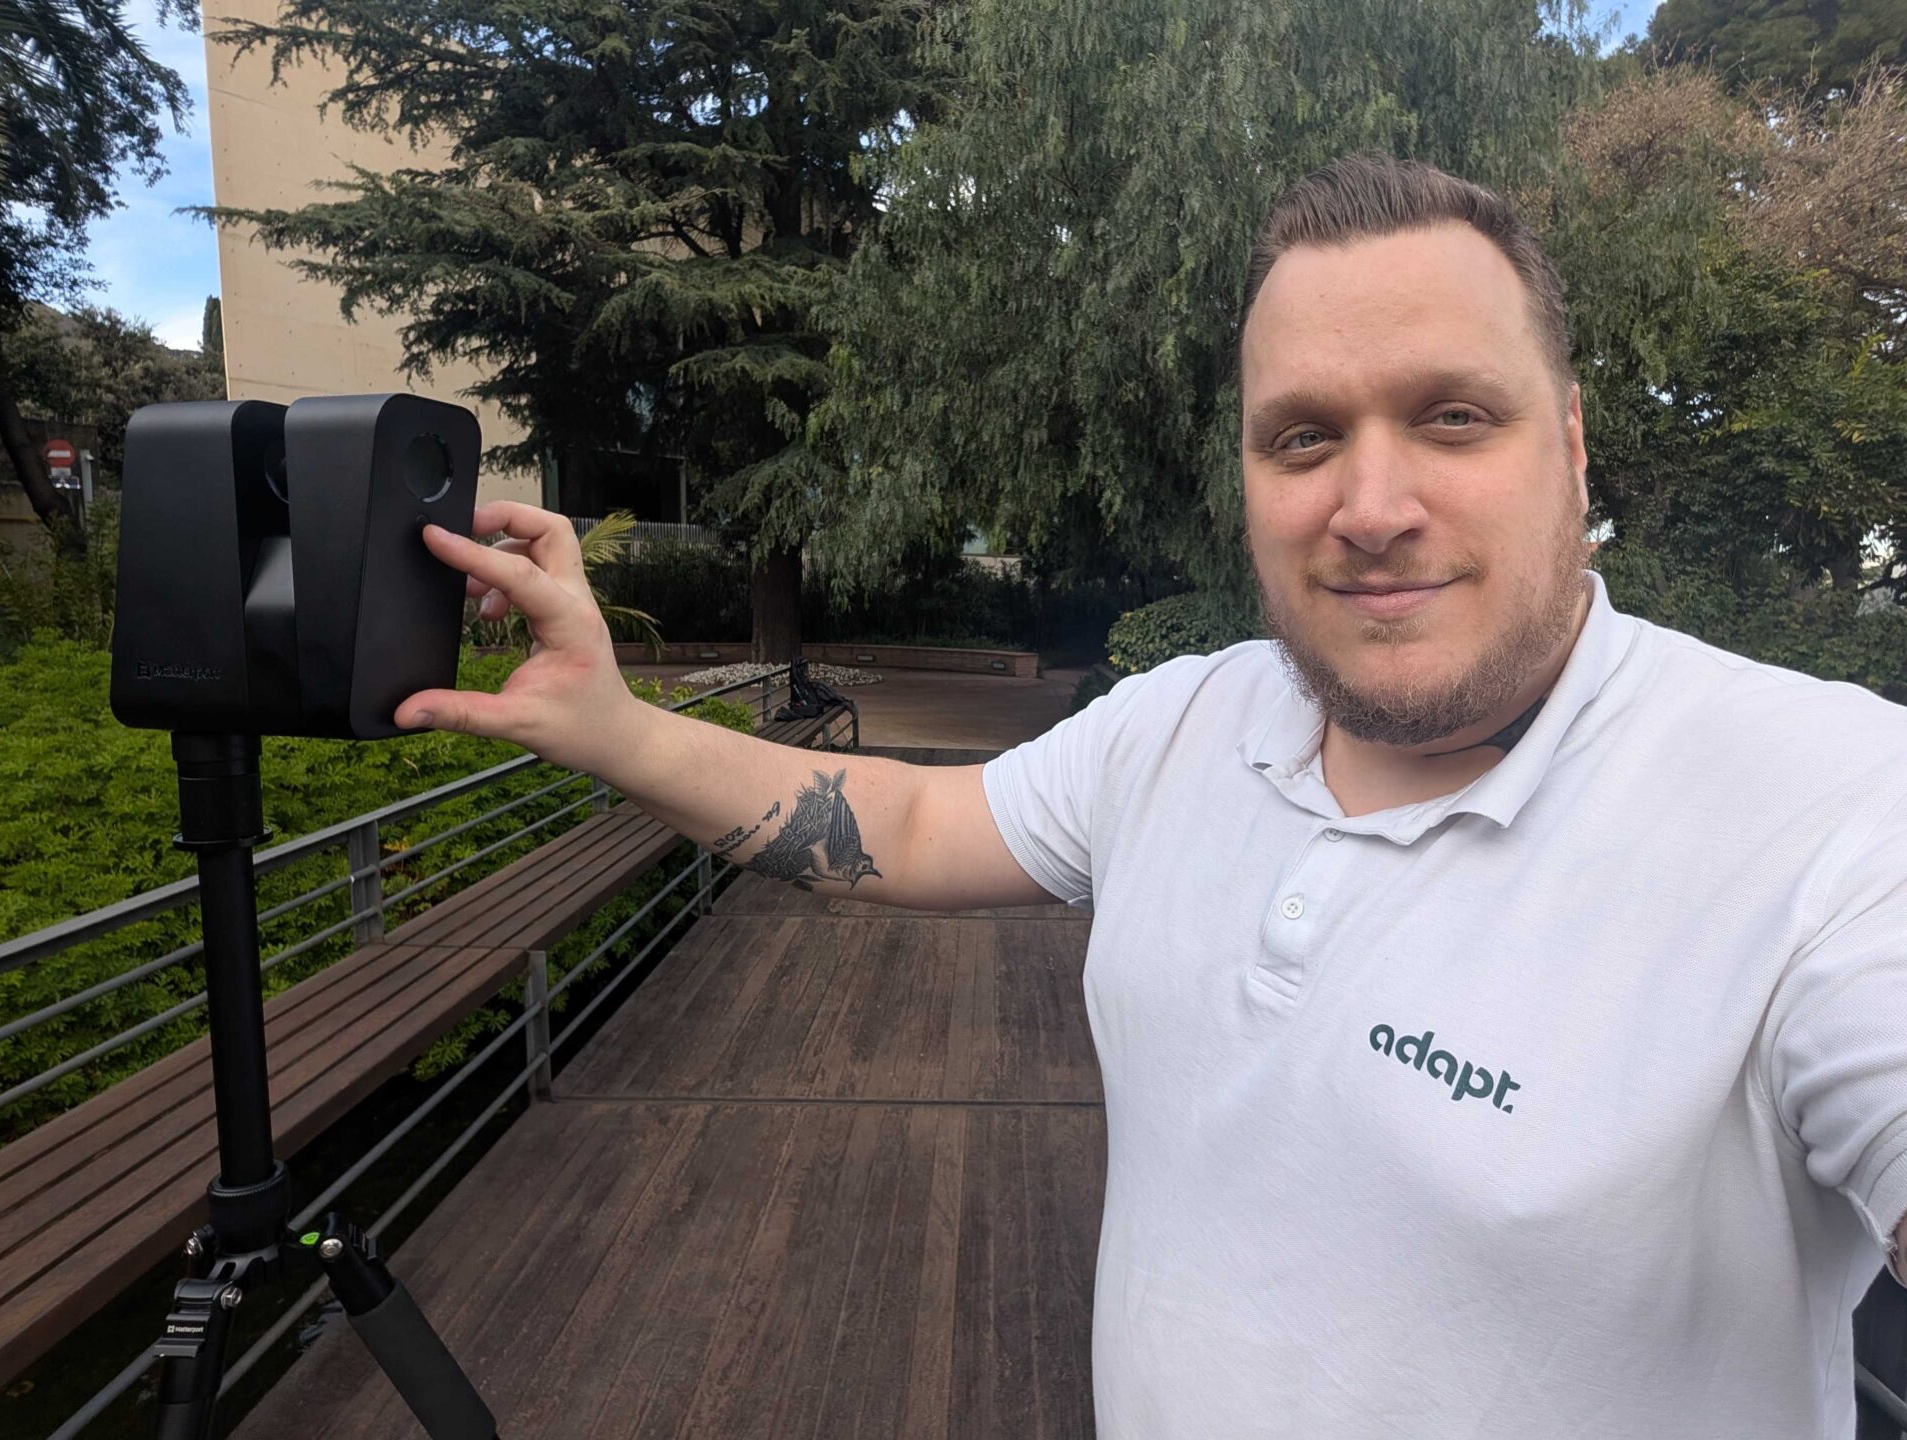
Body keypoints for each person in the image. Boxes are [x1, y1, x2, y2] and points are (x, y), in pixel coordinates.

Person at [395, 154, 1907, 1439]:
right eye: (1303, 436)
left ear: (1571, 446)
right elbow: (916, 823)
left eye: (1455, 417)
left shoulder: (1834, 810)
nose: (1371, 508)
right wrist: (604, 723)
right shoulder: (1188, 719)